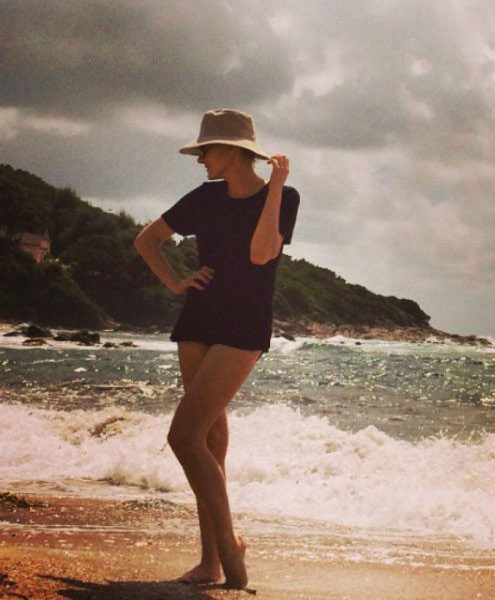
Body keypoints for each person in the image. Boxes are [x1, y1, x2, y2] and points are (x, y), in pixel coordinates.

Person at [134, 108, 300, 588]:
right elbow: (147, 240)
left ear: (233, 150)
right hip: (199, 318)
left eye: (206, 149)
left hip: (244, 325)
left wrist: (276, 185)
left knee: (184, 437)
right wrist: (176, 283)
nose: (200, 158)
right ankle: (209, 562)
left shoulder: (284, 196)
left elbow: (261, 253)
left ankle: (229, 545)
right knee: (207, 441)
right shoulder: (203, 198)